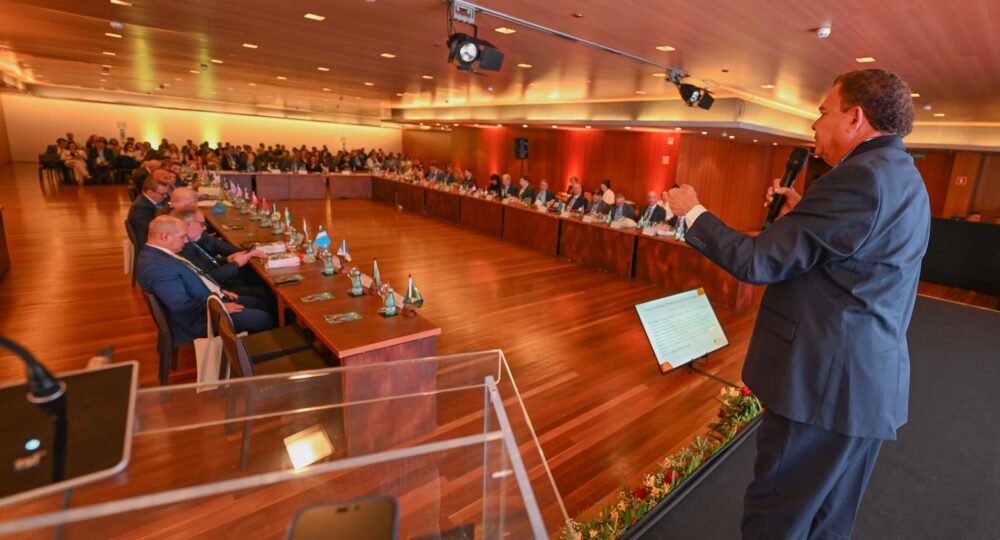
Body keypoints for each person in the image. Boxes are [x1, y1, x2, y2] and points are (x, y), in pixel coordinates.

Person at [667, 68, 929, 539]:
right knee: (827, 523)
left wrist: (693, 212)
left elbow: (756, 261)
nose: (814, 123)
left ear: (855, 118)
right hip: (865, 388)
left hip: (821, 387)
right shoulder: (903, 174)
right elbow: (856, 257)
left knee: (776, 520)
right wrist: (801, 215)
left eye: (823, 112)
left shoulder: (858, 178)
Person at [137, 216, 274, 343]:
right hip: (199, 320)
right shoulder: (156, 267)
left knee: (261, 303)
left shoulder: (158, 255)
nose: (186, 241)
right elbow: (181, 306)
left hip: (208, 300)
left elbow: (193, 277)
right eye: (183, 237)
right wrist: (221, 307)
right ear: (164, 236)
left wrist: (217, 290)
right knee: (264, 319)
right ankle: (246, 356)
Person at [127, 176, 170, 248]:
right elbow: (152, 229)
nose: (165, 196)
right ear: (149, 192)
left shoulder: (158, 200)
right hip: (151, 243)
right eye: (162, 194)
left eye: (166, 193)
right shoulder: (140, 208)